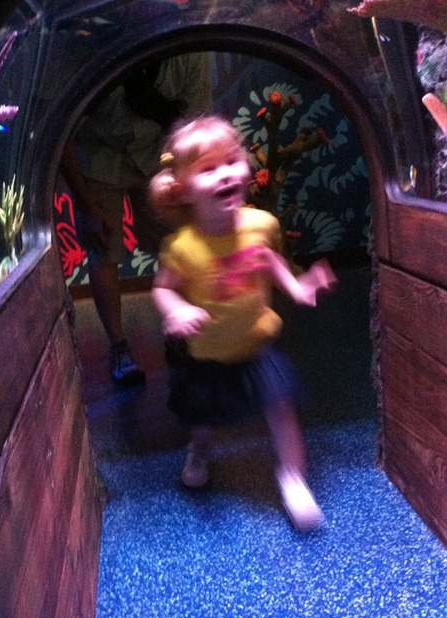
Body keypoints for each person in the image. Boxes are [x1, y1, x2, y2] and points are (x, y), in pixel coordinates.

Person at [149, 116, 337, 531]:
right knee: (202, 416)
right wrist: (175, 310)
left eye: (231, 161)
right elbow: (162, 289)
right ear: (182, 190)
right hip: (207, 352)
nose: (225, 174)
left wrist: (298, 287)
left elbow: (268, 260)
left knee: (281, 405)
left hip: (256, 344)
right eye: (208, 169)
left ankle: (293, 478)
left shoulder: (261, 225)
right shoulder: (182, 247)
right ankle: (199, 450)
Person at [60, 53, 212, 386]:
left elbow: (197, 124)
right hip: (99, 156)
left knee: (175, 240)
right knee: (103, 248)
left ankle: (181, 334)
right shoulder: (95, 51)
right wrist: (86, 206)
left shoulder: (188, 54)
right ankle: (118, 346)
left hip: (159, 153)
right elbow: (63, 131)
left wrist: (188, 185)